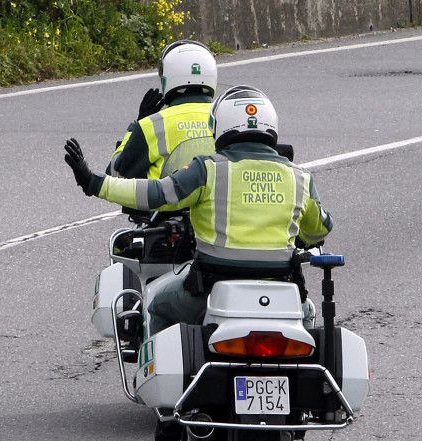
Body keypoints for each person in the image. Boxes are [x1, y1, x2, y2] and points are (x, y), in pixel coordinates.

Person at [66, 84, 333, 342]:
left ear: (220, 127)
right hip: (280, 290)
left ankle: (163, 381)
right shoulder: (299, 178)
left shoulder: (207, 170)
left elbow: (154, 193)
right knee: (305, 313)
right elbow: (320, 228)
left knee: (157, 305)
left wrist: (94, 182)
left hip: (208, 290)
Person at [108, 40, 218, 180]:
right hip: (216, 202)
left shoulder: (154, 125)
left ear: (167, 79)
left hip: (166, 201)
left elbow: (114, 175)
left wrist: (136, 126)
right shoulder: (227, 117)